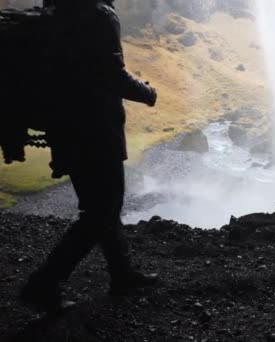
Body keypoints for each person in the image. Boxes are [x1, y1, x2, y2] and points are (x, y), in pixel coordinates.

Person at [19, 0, 159, 314]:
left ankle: (122, 275)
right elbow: (112, 73)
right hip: (95, 129)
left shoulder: (59, 9)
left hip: (65, 127)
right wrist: (147, 93)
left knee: (101, 206)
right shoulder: (98, 15)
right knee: (101, 210)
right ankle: (42, 285)